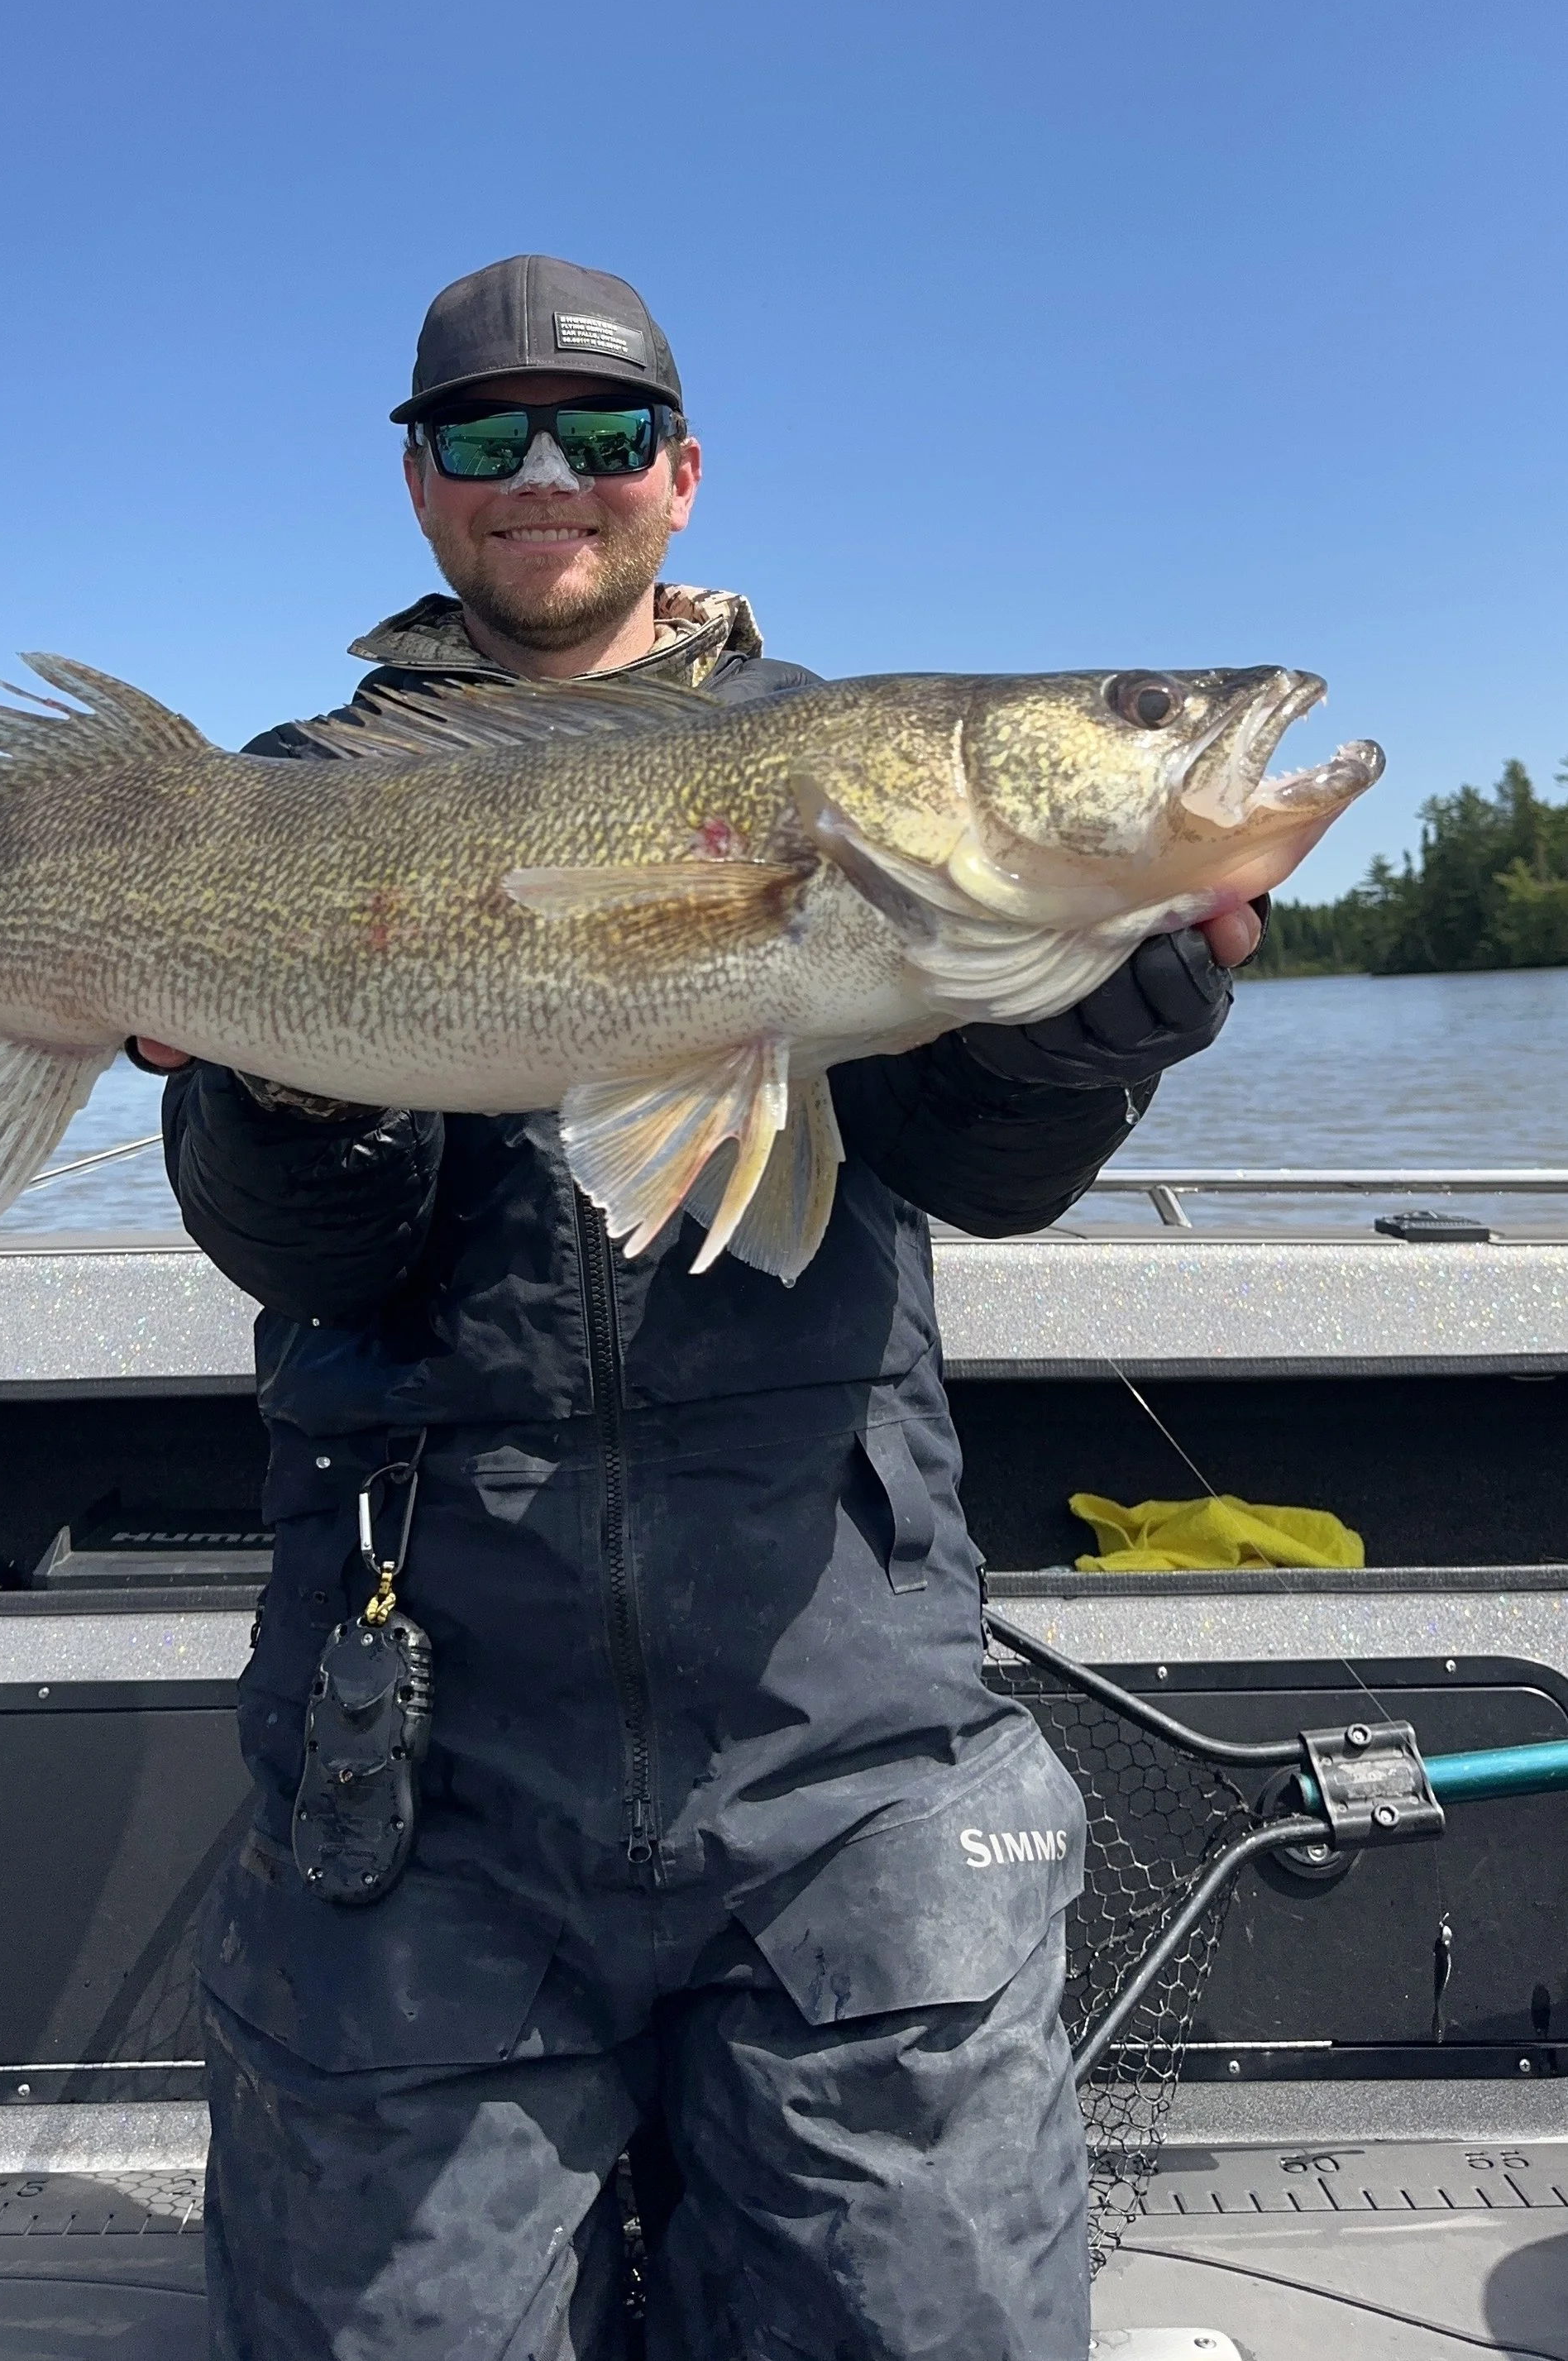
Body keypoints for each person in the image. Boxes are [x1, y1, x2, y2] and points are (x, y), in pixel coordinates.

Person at [131, 253, 1261, 2361]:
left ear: (683, 472)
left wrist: (1084, 1031)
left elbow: (975, 1176)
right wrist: (288, 1078)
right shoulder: (279, 793)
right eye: (484, 434)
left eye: (600, 431)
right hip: (422, 1751)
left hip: (837, 1726)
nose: (543, 473)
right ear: (416, 479)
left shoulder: (849, 771)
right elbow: (298, 1258)